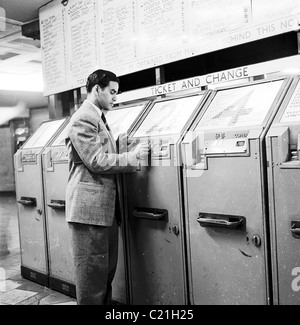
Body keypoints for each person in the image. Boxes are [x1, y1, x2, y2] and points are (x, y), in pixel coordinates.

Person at [65, 69, 149, 305]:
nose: (115, 97)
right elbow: (96, 160)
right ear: (96, 90)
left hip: (103, 211)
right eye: (111, 92)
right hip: (89, 212)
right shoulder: (84, 118)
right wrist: (130, 158)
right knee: (92, 278)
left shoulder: (97, 118)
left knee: (104, 275)